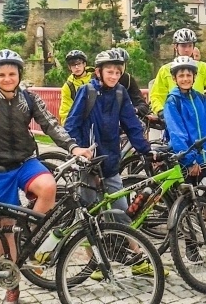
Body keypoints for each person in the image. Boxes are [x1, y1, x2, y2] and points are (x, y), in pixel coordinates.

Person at [0, 49, 76, 304]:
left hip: (26, 162)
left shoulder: (30, 98)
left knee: (48, 187)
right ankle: (11, 286)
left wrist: (72, 147)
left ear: (19, 75)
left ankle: (29, 237)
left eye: (12, 73)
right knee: (4, 230)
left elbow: (50, 125)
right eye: (1, 74)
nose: (7, 78)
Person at [64, 50, 162, 278]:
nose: (114, 75)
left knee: (122, 211)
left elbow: (132, 125)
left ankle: (138, 259)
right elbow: (71, 125)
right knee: (89, 214)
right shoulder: (86, 91)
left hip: (110, 162)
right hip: (88, 163)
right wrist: (80, 152)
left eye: (118, 71)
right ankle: (93, 263)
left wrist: (146, 151)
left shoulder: (120, 93)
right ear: (98, 72)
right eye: (110, 71)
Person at [149, 28, 206, 118]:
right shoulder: (165, 70)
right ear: (175, 47)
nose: (187, 49)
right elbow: (157, 95)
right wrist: (160, 111)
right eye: (183, 46)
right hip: (176, 118)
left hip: (198, 116)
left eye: (190, 46)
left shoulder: (202, 68)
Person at [109, 47, 151, 118]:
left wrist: (134, 110)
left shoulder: (127, 79)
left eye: (121, 65)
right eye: (113, 65)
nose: (118, 68)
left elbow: (141, 103)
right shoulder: (97, 79)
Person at [58, 49, 92, 123]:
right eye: (73, 65)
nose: (76, 67)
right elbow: (65, 112)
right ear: (69, 67)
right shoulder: (68, 86)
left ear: (84, 64)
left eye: (79, 63)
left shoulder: (96, 77)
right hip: (81, 122)